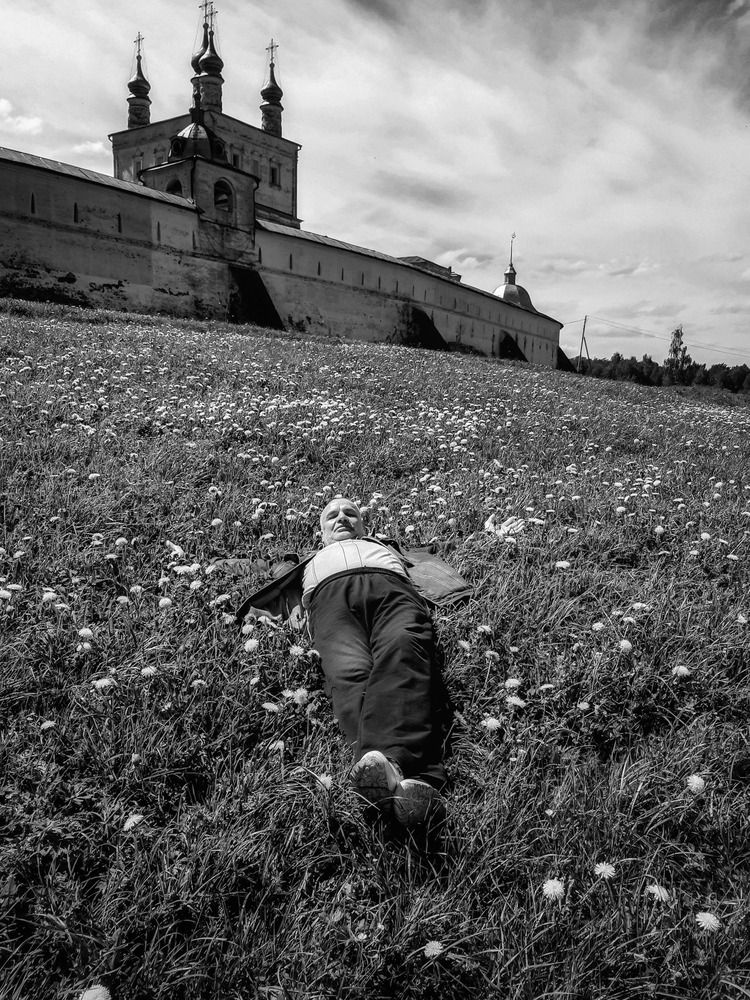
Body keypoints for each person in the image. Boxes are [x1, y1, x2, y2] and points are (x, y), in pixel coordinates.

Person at [234, 497, 474, 829]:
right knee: (348, 675)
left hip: (392, 591)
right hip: (329, 600)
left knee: (405, 647)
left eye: (351, 513)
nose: (342, 518)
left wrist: (491, 531)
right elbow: (251, 564)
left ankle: (389, 773)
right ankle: (414, 783)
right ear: (321, 533)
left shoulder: (386, 546)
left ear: (363, 525)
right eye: (332, 515)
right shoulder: (304, 560)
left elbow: (443, 547)